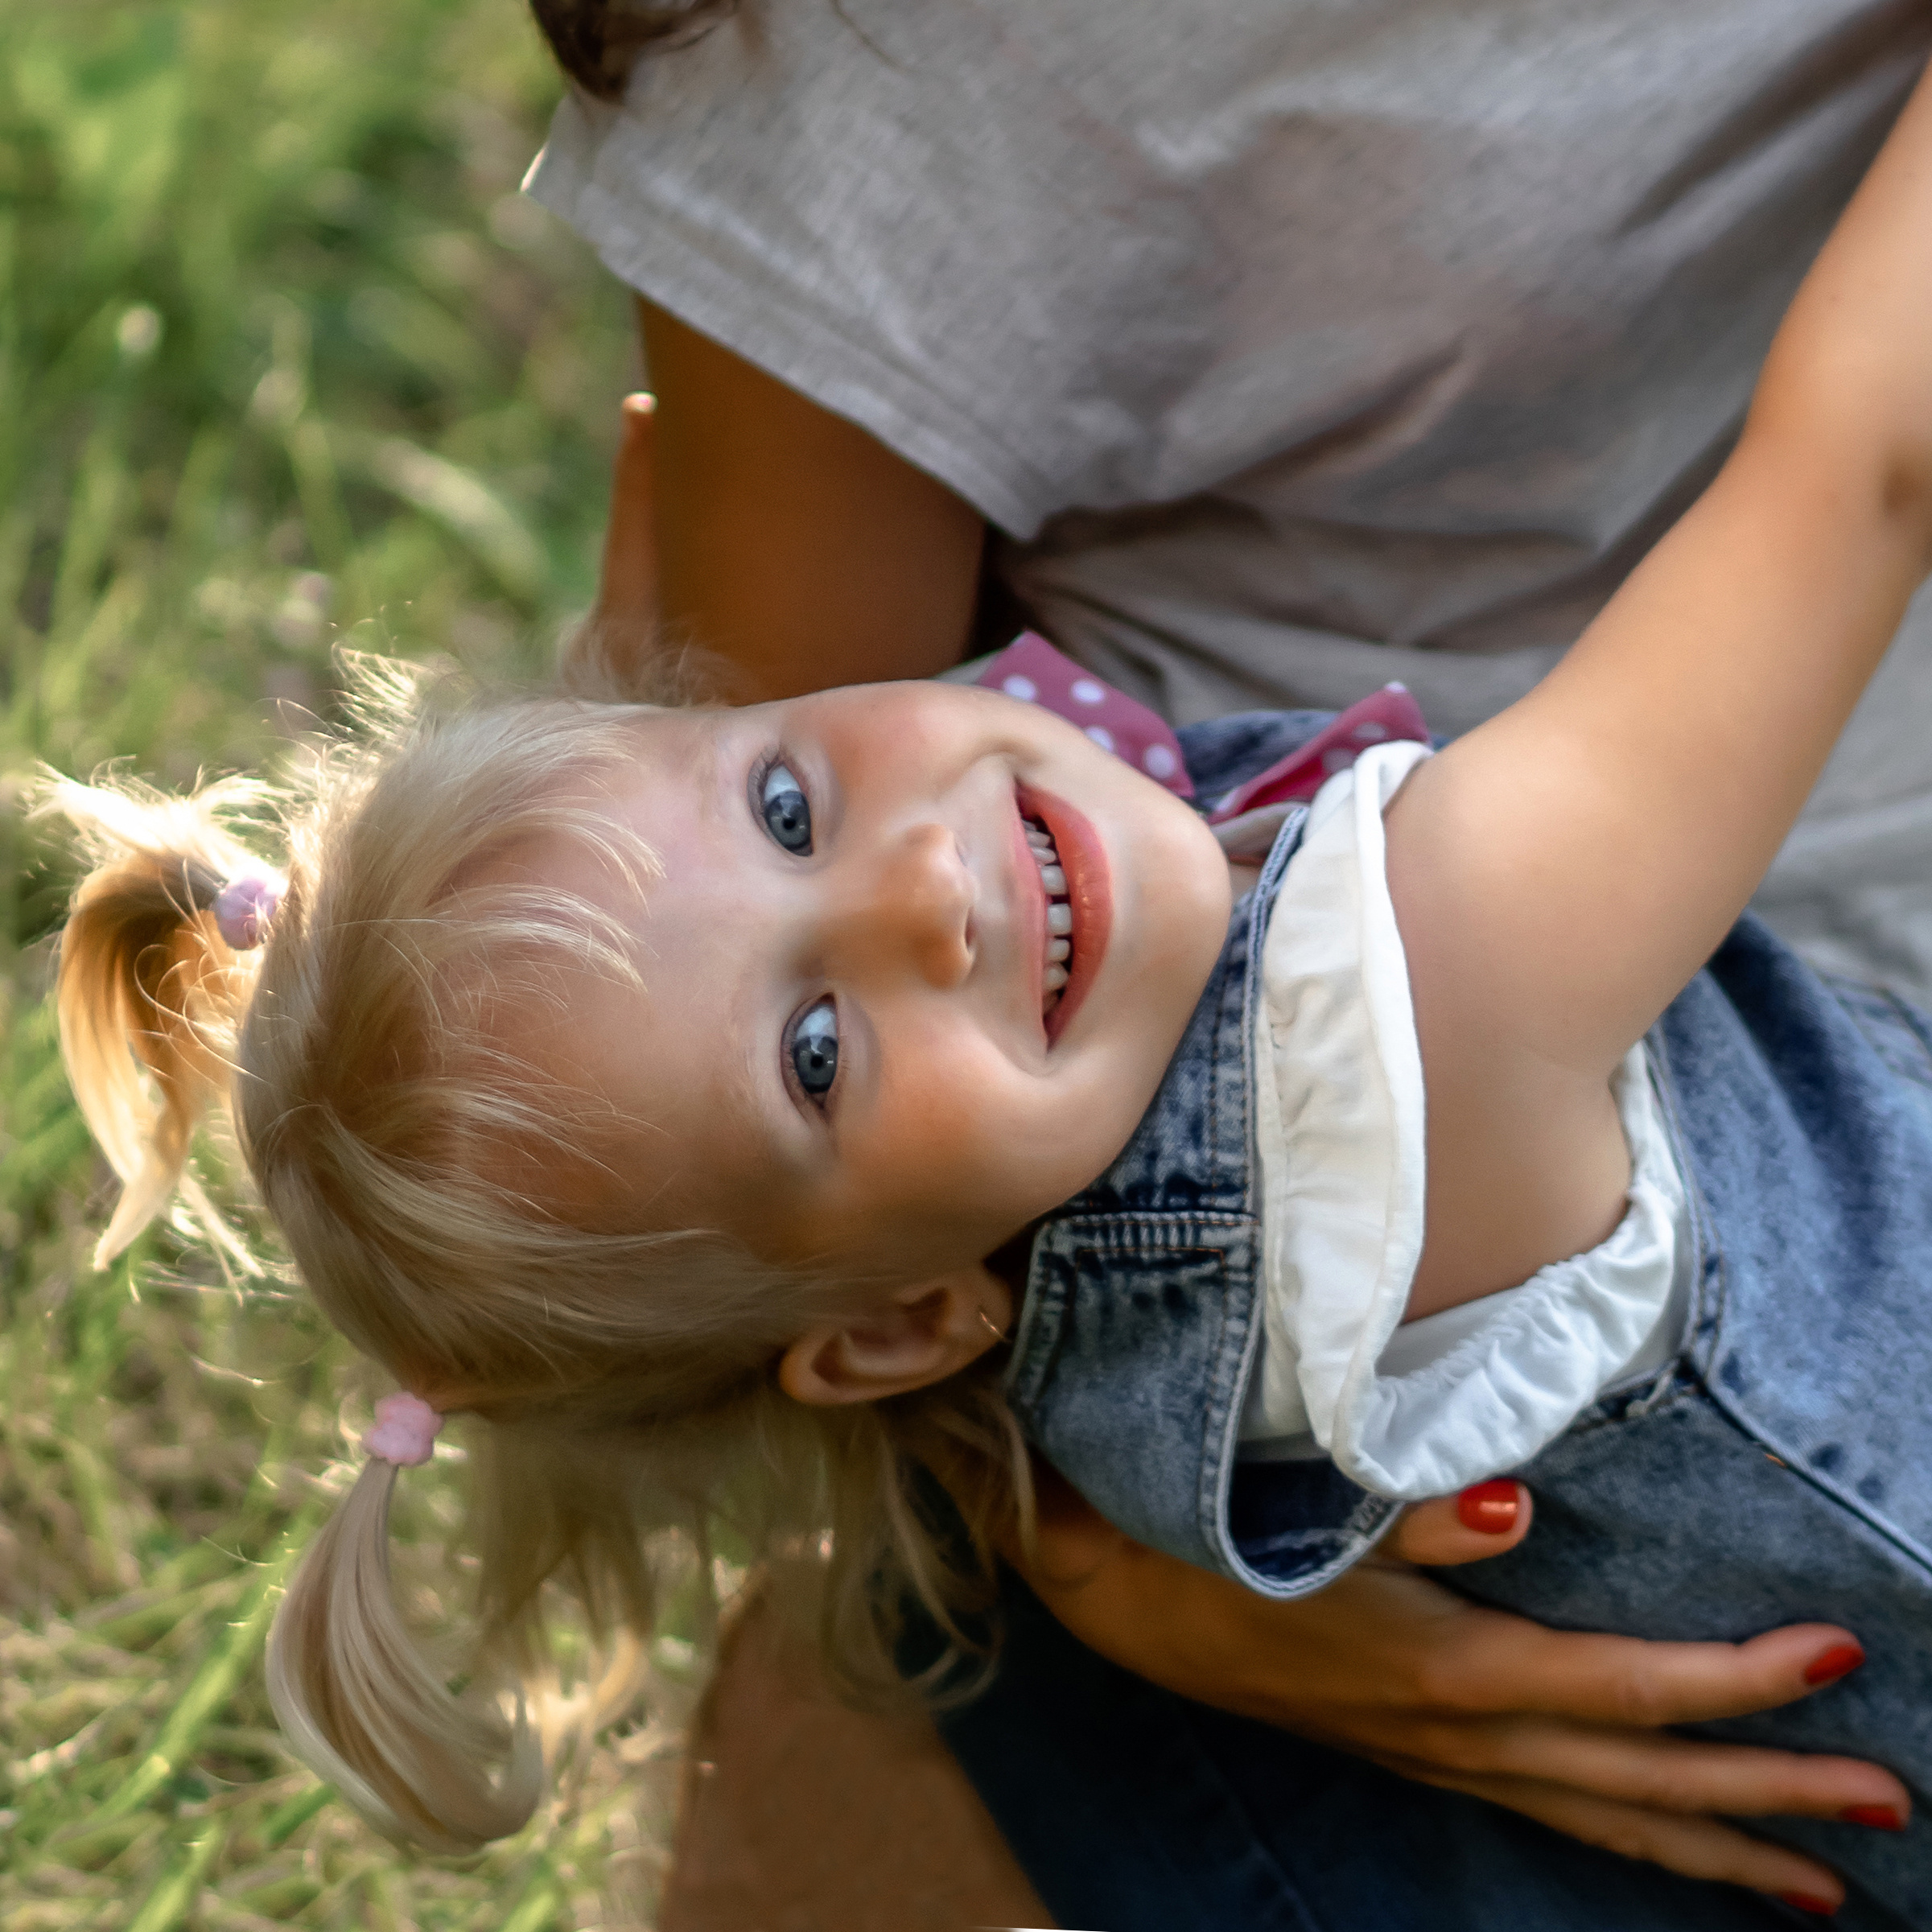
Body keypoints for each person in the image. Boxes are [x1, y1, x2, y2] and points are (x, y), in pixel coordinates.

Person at [35, 44, 1932, 1923]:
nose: (920, 892)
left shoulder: (1075, 1298)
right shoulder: (1403, 1020)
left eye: (783, 799)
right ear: (888, 1329)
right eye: (813, 1050)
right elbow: (1860, 467)